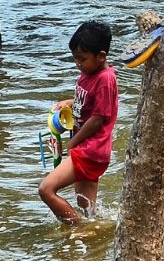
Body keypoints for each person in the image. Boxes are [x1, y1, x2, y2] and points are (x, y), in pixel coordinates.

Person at [38, 20, 118, 226]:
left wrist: (74, 142)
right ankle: (94, 233)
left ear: (101, 56)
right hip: (87, 149)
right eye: (75, 58)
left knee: (46, 189)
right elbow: (89, 103)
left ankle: (78, 229)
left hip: (90, 150)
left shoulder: (105, 79)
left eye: (82, 59)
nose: (78, 64)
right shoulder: (88, 74)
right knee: (86, 206)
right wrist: (70, 103)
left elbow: (99, 117)